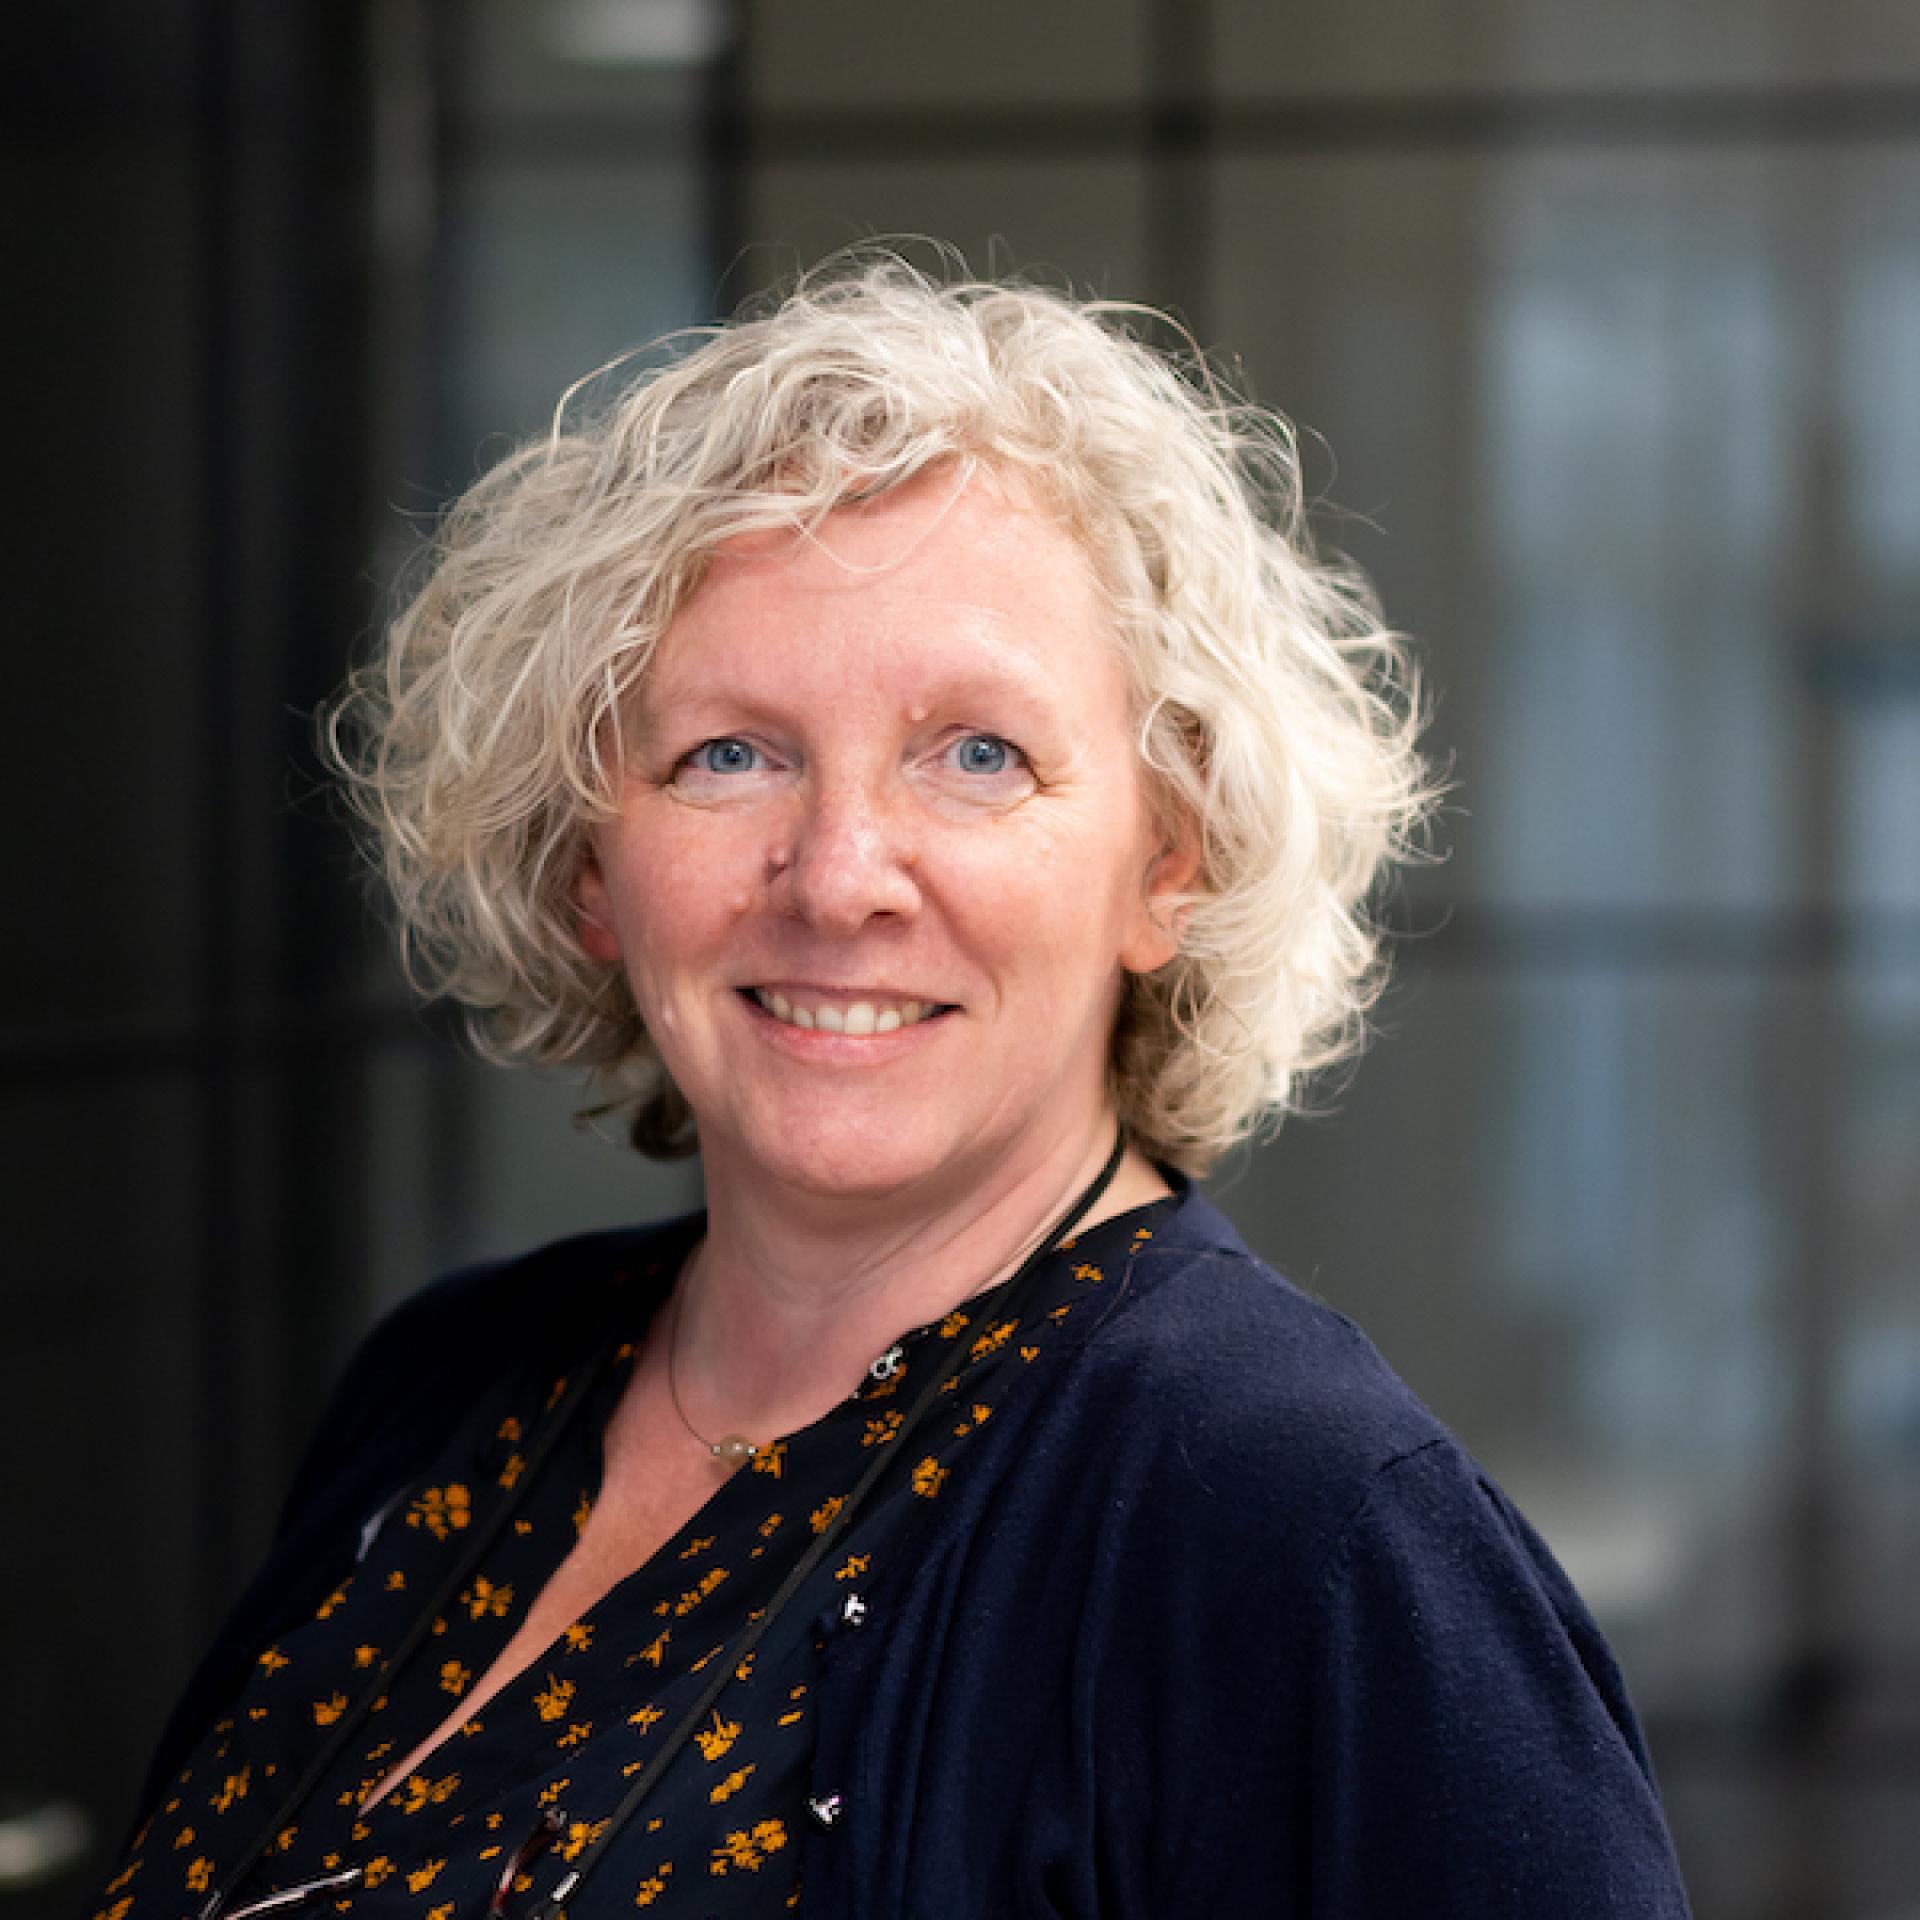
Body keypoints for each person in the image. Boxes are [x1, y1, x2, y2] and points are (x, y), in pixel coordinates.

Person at [96, 257, 1692, 1919]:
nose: (841, 872)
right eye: (730, 753)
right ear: (589, 862)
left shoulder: (1305, 1530)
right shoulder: (449, 1383)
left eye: (979, 753)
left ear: (1169, 860)